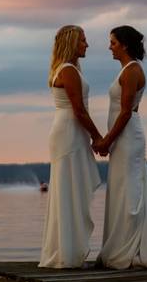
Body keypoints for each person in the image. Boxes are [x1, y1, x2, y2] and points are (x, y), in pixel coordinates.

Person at [94, 25, 147, 268]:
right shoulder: (126, 70)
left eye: (112, 42)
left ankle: (129, 250)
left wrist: (106, 140)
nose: (109, 47)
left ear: (124, 44)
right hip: (122, 137)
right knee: (122, 188)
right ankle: (123, 245)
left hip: (127, 137)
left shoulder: (132, 70)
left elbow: (125, 113)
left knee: (130, 191)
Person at [39, 25, 105, 268]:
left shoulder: (67, 69)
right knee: (69, 191)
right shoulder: (68, 71)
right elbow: (79, 110)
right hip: (69, 131)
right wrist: (98, 137)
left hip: (68, 130)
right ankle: (66, 253)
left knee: (70, 190)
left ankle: (68, 249)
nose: (86, 45)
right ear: (71, 43)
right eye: (83, 41)